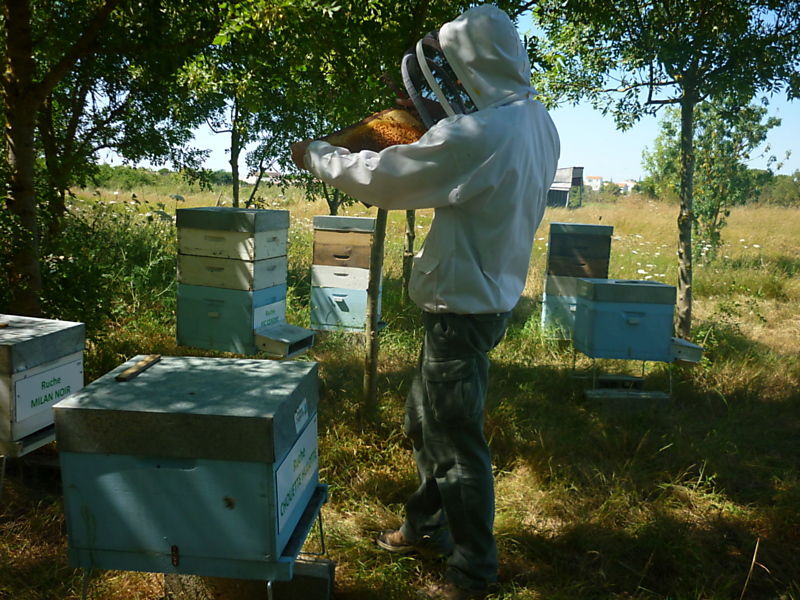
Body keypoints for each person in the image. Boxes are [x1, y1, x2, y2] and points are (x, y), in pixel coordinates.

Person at [292, 5, 559, 599]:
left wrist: (316, 154)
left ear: (472, 65)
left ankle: (472, 568)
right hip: (484, 300)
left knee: (456, 442)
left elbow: (386, 178)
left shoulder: (480, 134)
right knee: (425, 419)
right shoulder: (535, 120)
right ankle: (423, 523)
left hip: (461, 311)